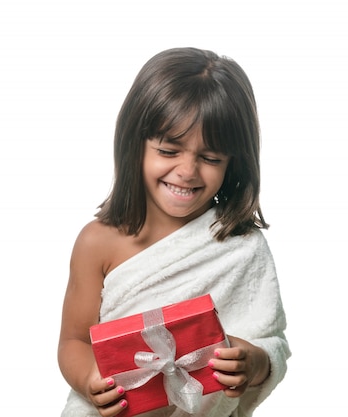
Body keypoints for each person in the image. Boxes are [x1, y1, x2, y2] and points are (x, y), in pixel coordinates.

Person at [58, 47, 290, 417]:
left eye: (211, 158)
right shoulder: (97, 242)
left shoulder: (241, 246)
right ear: (135, 145)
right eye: (168, 150)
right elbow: (73, 340)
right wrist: (90, 377)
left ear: (234, 163)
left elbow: (271, 343)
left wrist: (254, 364)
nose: (187, 171)